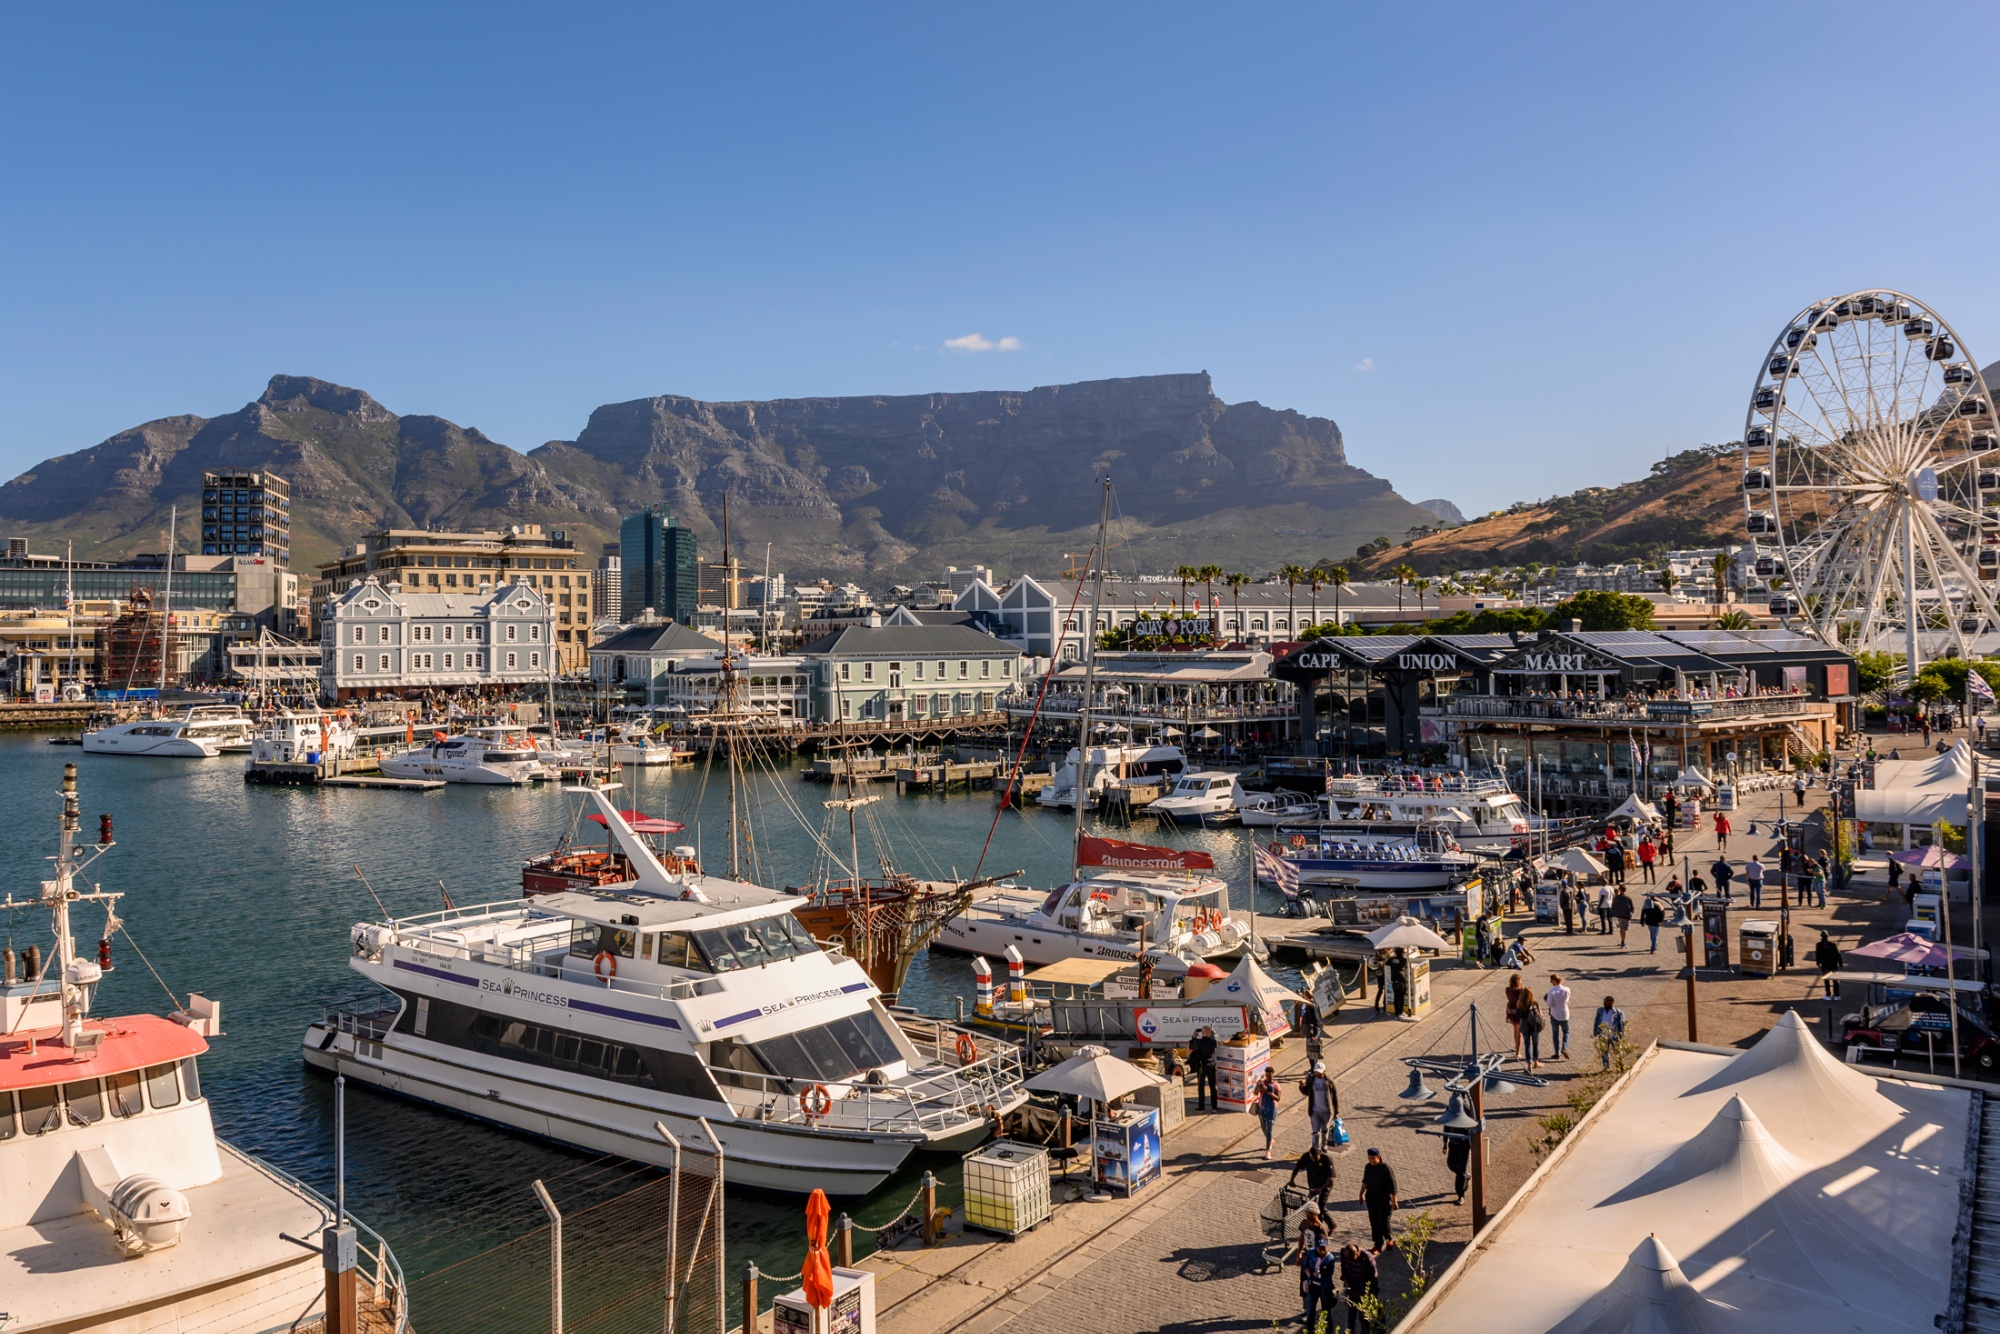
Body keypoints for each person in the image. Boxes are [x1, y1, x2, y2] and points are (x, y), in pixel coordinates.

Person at [1359, 1148, 1398, 1253]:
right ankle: (1378, 1244)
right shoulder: (1368, 1167)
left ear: (1378, 1157)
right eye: (1369, 1158)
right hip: (1372, 1200)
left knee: (1383, 1222)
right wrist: (1360, 1195)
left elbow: (1393, 1186)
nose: (1371, 1160)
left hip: (1384, 1200)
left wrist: (1395, 1201)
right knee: (1374, 1222)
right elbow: (1365, 1182)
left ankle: (1389, 1239)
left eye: (1373, 1158)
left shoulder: (1385, 1168)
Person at [1301, 1235, 1339, 1334]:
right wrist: (1308, 1273)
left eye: (1324, 1249)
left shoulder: (1330, 1258)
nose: (1322, 1251)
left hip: (1324, 1288)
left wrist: (1313, 1276)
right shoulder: (1311, 1252)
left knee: (1326, 1313)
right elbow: (1305, 1266)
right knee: (1310, 1313)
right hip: (1312, 1287)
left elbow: (1327, 1277)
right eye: (1320, 1248)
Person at [1289, 1142, 1338, 1216]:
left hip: (1324, 1187)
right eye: (1312, 1158)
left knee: (1319, 1209)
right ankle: (1332, 1224)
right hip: (1313, 1186)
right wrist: (1292, 1179)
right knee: (1313, 1206)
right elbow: (1297, 1167)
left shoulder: (1327, 1160)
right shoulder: (1306, 1157)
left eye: (1316, 1158)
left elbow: (1331, 1179)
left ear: (1320, 1155)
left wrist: (1320, 1189)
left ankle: (1319, 1226)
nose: (1314, 1160)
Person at [1339, 1241, 1379, 1333]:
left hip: (1364, 1293)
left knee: (1364, 1320)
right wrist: (1346, 1280)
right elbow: (1343, 1268)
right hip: (1351, 1292)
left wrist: (1371, 1296)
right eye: (1348, 1259)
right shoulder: (1344, 1253)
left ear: (1357, 1253)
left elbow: (1373, 1279)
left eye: (1352, 1259)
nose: (1349, 1261)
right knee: (1349, 1320)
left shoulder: (1367, 1258)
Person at [1301, 1059, 1340, 1151]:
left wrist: (1336, 1111)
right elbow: (1306, 1092)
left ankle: (1324, 1145)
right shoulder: (1310, 1079)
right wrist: (1301, 1087)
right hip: (1314, 1111)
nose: (1317, 1074)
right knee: (1315, 1132)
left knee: (1325, 1130)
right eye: (1316, 1072)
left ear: (1324, 1071)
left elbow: (1334, 1097)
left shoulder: (1329, 1081)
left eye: (1319, 1072)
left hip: (1326, 1111)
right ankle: (1315, 1148)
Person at [1254, 1066, 1282, 1159]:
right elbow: (1255, 1093)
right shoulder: (1261, 1083)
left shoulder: (1276, 1086)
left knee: (1269, 1129)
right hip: (1262, 1108)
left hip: (1272, 1110)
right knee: (1263, 1126)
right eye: (1267, 1075)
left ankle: (1268, 1151)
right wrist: (1259, 1087)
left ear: (1273, 1075)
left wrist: (1269, 1092)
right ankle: (1271, 1141)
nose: (1269, 1077)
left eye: (1270, 1075)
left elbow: (1278, 1098)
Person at [1592, 995, 1626, 1069]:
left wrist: (1621, 1033)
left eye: (1607, 1002)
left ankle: (1619, 1066)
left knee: (1617, 1051)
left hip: (1614, 1035)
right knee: (1604, 1053)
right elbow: (1597, 1021)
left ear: (1612, 1003)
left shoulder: (1618, 1012)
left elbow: (1622, 1024)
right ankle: (1606, 1068)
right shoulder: (1600, 1010)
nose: (1605, 1003)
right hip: (1603, 1035)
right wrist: (1596, 1031)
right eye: (1605, 1001)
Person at [1190, 1026, 1218, 1112]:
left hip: (1201, 1067)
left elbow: (1191, 1046)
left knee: (1201, 1087)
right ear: (1210, 1033)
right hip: (1211, 1066)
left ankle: (1201, 1107)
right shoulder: (1214, 1042)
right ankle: (1214, 1107)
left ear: (1202, 1033)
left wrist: (1193, 1037)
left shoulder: (1198, 1042)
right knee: (1212, 1087)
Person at [1546, 973, 1573, 1059]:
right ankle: (1564, 1047)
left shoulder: (1552, 991)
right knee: (1566, 1032)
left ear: (1554, 981)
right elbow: (1567, 1000)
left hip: (1554, 1014)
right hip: (1565, 1013)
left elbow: (1549, 1004)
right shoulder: (1567, 989)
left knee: (1555, 1034)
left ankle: (1557, 1053)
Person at [1518, 989, 1546, 1069]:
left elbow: (1518, 1015)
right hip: (1534, 1025)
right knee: (1535, 1044)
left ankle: (1529, 1065)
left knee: (1527, 1045)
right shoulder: (1534, 1003)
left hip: (1524, 1025)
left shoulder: (1520, 1003)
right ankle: (1536, 1062)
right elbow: (1541, 1014)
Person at [1443, 1130, 1471, 1206]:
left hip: (1464, 1146)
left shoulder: (1468, 1117)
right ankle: (1464, 1176)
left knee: (1460, 1172)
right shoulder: (1450, 1118)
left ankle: (1460, 1196)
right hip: (1453, 1145)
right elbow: (1446, 1128)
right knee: (1451, 1164)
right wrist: (1445, 1143)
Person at [1815, 930, 1844, 998]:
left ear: (1821, 936)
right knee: (1835, 980)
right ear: (1828, 936)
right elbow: (1838, 954)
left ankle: (1828, 995)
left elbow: (1818, 955)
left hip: (1825, 965)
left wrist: (1818, 963)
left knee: (1826, 980)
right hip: (1833, 964)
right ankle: (1837, 995)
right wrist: (1840, 963)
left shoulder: (1819, 945)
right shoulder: (1833, 944)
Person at [1504, 972, 1526, 1058]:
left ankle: (1516, 1045)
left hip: (1510, 1010)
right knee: (1519, 1032)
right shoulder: (1521, 990)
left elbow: (1508, 998)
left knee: (1515, 1029)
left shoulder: (1507, 989)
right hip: (1518, 1011)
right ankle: (1518, 1052)